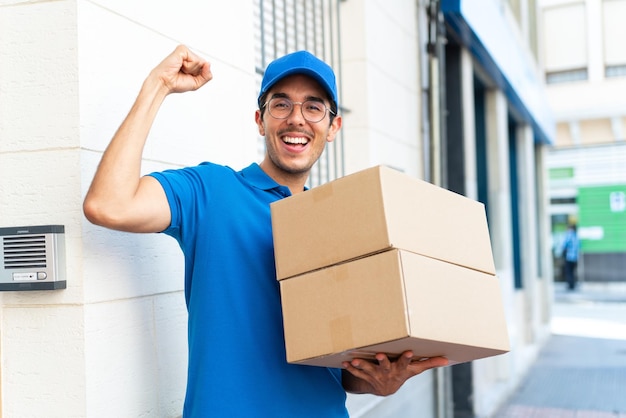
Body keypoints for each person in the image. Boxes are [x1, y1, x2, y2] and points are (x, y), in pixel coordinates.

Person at [83, 44, 448, 417]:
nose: (297, 119)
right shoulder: (211, 191)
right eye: (281, 104)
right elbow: (108, 204)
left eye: (313, 106)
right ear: (260, 120)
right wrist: (156, 85)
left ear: (333, 126)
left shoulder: (339, 224)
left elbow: (341, 363)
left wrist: (380, 381)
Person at [561, 223, 580, 290]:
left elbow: (564, 245)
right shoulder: (576, 236)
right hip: (575, 257)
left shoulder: (568, 235)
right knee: (572, 271)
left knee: (568, 271)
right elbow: (579, 246)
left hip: (569, 256)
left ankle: (570, 285)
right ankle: (573, 284)